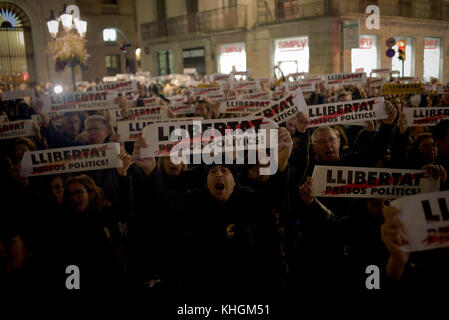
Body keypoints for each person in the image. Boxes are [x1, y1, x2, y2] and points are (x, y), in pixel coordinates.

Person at [131, 127, 293, 292]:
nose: (219, 175)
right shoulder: (194, 202)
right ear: (206, 183)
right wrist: (151, 170)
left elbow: (273, 197)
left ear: (235, 181)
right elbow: (166, 201)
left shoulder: (245, 199)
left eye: (224, 170)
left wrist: (282, 164)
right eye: (213, 171)